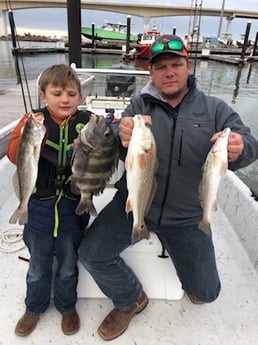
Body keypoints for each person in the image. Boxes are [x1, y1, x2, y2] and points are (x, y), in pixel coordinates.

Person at [79, 35, 258, 341]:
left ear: (189, 66)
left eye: (177, 64)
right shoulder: (138, 105)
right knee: (91, 253)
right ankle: (130, 299)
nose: (169, 72)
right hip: (135, 203)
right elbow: (114, 146)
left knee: (206, 292)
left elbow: (250, 147)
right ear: (152, 73)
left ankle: (187, 263)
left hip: (187, 214)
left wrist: (240, 149)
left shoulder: (215, 109)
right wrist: (117, 133)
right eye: (161, 67)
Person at [6, 64, 92, 337]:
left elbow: (108, 146)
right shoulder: (32, 120)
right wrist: (31, 136)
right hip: (38, 210)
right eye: (57, 93)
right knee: (38, 268)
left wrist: (92, 143)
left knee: (68, 267)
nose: (64, 99)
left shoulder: (89, 122)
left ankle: (67, 307)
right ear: (44, 96)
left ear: (80, 96)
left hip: (72, 209)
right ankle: (34, 308)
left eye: (71, 93)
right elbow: (11, 155)